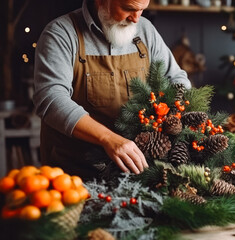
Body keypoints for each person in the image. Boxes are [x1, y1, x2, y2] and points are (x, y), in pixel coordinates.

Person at [33, 0, 191, 179]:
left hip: (137, 170)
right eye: (128, 9)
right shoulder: (61, 33)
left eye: (142, 10)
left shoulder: (145, 30)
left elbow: (176, 79)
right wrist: (108, 139)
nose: (136, 19)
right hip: (74, 174)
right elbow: (51, 99)